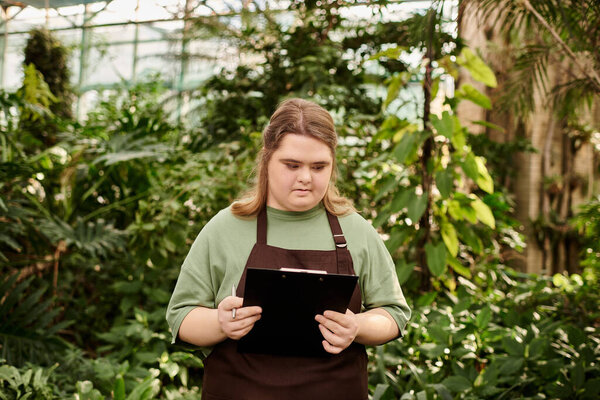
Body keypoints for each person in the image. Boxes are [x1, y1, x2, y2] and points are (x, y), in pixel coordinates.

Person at [166, 98, 411, 400]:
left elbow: (394, 313)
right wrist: (220, 322)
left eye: (319, 166)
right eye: (292, 165)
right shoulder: (226, 227)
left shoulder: (355, 230)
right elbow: (181, 316)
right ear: (267, 160)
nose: (306, 178)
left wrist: (357, 325)